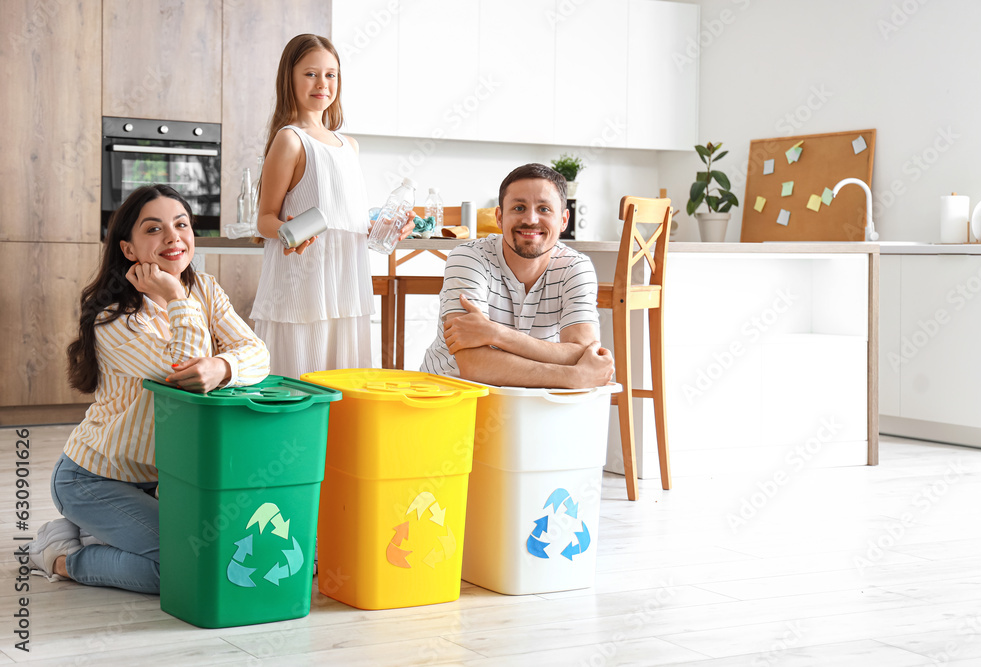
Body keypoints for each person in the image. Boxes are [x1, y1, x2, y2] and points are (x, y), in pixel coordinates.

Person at [27, 185, 270, 594]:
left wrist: (223, 365)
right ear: (128, 249)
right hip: (95, 479)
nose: (173, 237)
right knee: (184, 570)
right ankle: (61, 555)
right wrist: (175, 295)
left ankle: (103, 532)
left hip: (167, 480)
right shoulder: (114, 319)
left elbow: (258, 354)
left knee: (225, 555)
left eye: (181, 224)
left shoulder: (206, 289)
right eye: (154, 229)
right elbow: (184, 382)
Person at [251, 33, 413, 378]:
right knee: (298, 382)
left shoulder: (349, 145)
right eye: (310, 74)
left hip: (347, 284)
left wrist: (386, 227)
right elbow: (263, 219)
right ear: (289, 79)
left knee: (345, 385)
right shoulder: (290, 139)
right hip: (303, 286)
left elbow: (348, 220)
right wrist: (286, 230)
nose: (322, 83)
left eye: (331, 74)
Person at [420, 163, 614, 388]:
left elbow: (585, 353)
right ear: (499, 217)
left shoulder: (575, 267)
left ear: (563, 220)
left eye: (544, 209)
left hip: (533, 402)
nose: (531, 219)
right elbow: (474, 365)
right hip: (452, 397)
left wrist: (496, 334)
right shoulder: (468, 257)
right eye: (519, 208)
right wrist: (572, 376)